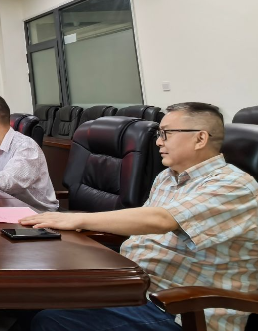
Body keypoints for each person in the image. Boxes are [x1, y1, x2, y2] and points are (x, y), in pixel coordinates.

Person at [20, 102, 257, 331]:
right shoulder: (167, 177)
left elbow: (162, 220)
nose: (158, 141)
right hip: (134, 287)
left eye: (166, 134)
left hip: (181, 309)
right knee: (33, 297)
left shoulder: (233, 185)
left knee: (53, 321)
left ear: (200, 138)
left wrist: (77, 220)